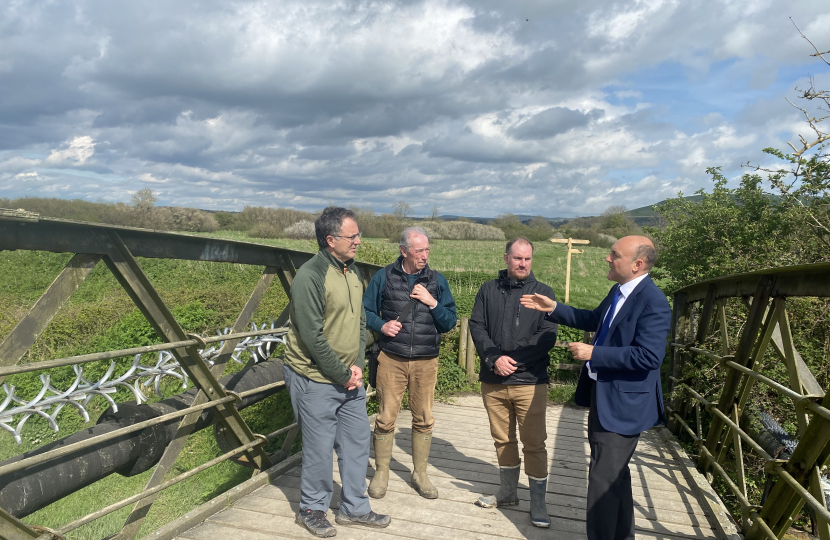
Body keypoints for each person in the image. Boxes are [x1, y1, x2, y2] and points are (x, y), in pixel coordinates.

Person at [520, 235, 671, 540]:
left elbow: (650, 356)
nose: (607, 258)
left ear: (637, 264)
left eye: (614, 254)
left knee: (603, 479)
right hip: (605, 397)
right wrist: (553, 308)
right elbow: (592, 319)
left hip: (624, 406)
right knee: (615, 476)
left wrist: (595, 354)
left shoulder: (654, 302)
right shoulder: (620, 291)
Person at [282, 207, 391, 538]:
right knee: (318, 446)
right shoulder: (311, 276)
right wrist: (342, 373)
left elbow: (359, 321)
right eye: (352, 235)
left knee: (357, 442)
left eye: (358, 234)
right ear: (331, 240)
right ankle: (312, 510)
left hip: (349, 377)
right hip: (314, 378)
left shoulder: (351, 271)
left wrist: (357, 363)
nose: (359, 241)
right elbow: (312, 336)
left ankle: (354, 508)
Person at [469, 237, 558, 528]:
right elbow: (477, 326)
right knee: (502, 439)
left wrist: (514, 361)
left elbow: (546, 336)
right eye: (517, 258)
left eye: (527, 259)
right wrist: (494, 358)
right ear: (506, 258)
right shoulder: (487, 290)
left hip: (530, 382)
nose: (522, 264)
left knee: (534, 443)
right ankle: (507, 492)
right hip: (493, 381)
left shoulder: (543, 293)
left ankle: (538, 502)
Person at [362, 226, 457, 500]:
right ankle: (382, 472)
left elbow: (449, 321)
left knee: (424, 419)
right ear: (404, 251)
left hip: (426, 362)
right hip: (391, 358)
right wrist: (382, 324)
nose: (425, 255)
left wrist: (432, 302)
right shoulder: (383, 277)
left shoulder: (438, 281)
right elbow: (365, 311)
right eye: (419, 250)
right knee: (385, 418)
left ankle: (420, 474)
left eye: (427, 250)